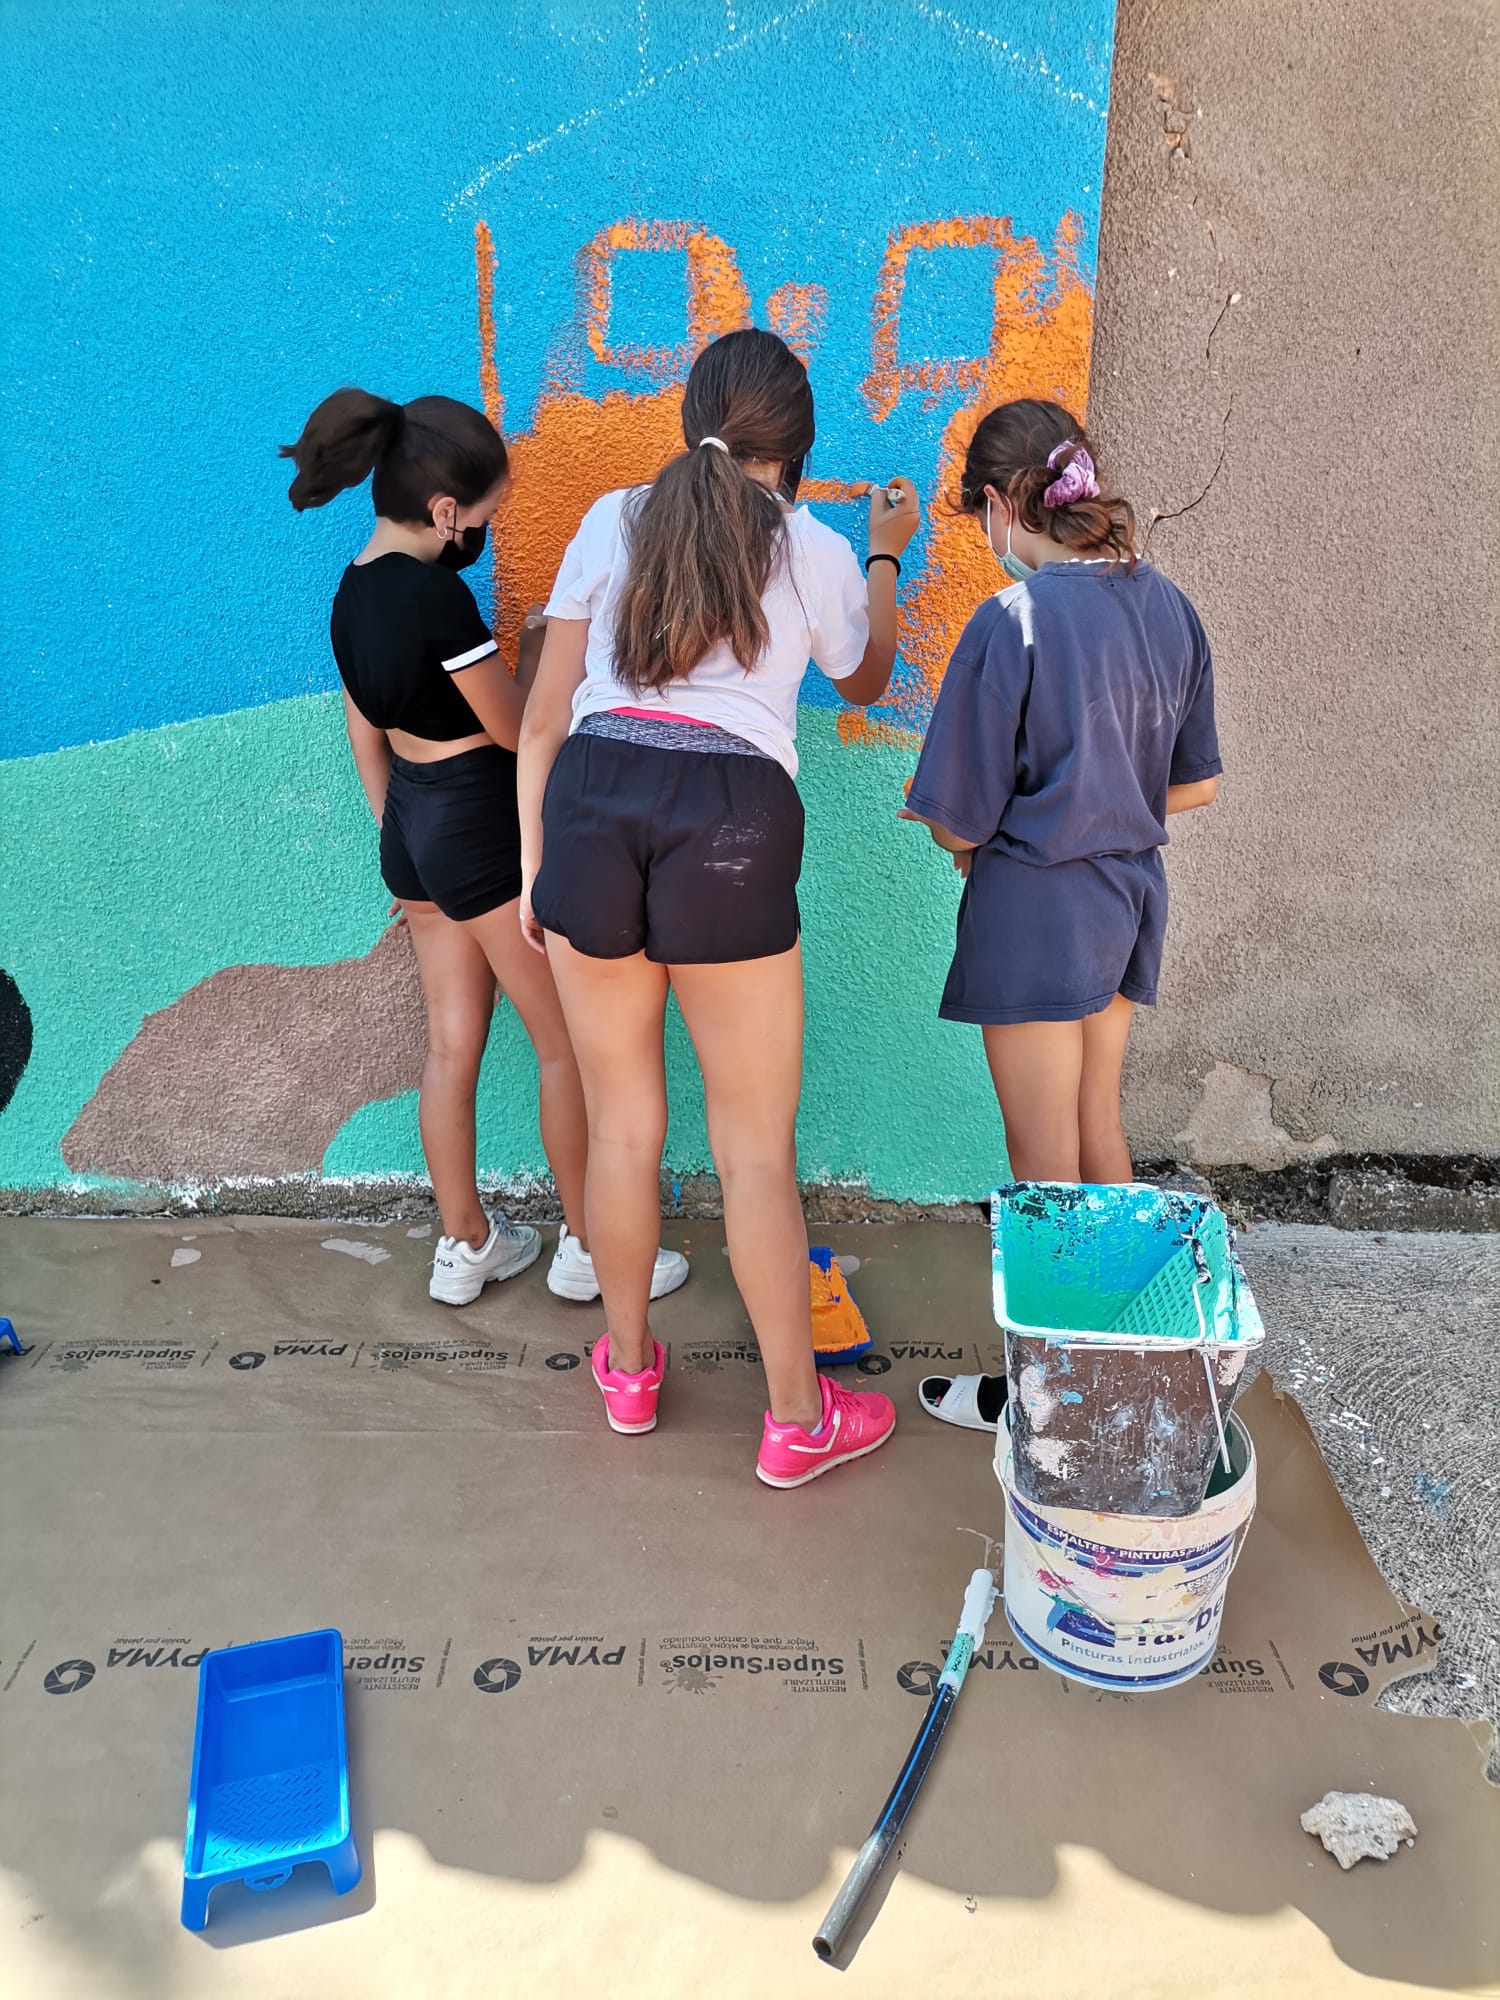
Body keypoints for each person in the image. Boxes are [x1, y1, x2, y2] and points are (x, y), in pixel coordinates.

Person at [517, 328, 919, 1483]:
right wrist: (888, 556)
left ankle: (630, 1370)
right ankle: (798, 1419)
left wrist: (543, 864)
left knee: (624, 1126)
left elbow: (546, 718)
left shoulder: (612, 518)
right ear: (797, 447)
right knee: (753, 1150)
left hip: (593, 802)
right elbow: (866, 676)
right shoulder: (819, 547)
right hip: (735, 815)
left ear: (687, 415)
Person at [282, 388, 688, 1308]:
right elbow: (512, 730)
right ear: (445, 513)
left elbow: (364, 732)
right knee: (562, 1049)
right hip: (475, 822)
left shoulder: (351, 591)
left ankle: (465, 1243)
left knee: (450, 1048)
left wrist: (400, 838)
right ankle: (589, 1245)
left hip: (415, 829)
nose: (489, 534)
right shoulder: (440, 597)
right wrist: (545, 655)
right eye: (490, 517)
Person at [898, 398, 1221, 1434]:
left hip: (1035, 908)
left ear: (999, 505)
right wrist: (1106, 801)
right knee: (1096, 1129)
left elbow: (955, 819)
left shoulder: (1014, 621)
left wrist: (1015, 835)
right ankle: (1121, 1376)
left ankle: (1050, 1403)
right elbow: (1195, 784)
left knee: (1038, 1165)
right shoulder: (1167, 604)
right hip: (1128, 899)